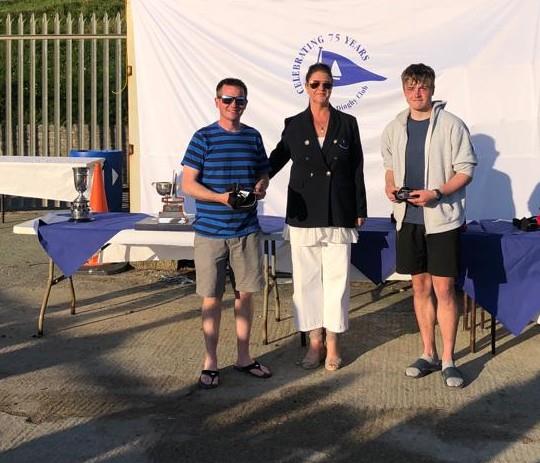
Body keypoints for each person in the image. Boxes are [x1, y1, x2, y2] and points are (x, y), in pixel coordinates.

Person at [381, 63, 477, 388]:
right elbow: (390, 166)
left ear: (432, 89)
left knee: (445, 289)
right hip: (407, 220)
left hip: (443, 221)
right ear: (404, 90)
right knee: (420, 287)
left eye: (422, 86)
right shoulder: (395, 127)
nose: (416, 92)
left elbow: (465, 170)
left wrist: (437, 193)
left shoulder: (452, 125)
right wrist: (390, 186)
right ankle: (428, 354)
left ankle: (449, 359)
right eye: (410, 86)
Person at [269, 63, 367, 371]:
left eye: (326, 84)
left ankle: (334, 343)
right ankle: (314, 342)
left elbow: (356, 169)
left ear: (332, 87)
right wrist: (259, 178)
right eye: (315, 84)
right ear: (306, 85)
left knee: (337, 280)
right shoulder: (294, 124)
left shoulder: (348, 123)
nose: (321, 89)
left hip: (339, 210)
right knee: (307, 280)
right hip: (304, 212)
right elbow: (277, 157)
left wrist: (360, 209)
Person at [181, 77, 272, 389]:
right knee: (211, 298)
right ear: (216, 101)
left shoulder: (253, 137)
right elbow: (188, 184)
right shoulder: (202, 138)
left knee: (245, 295)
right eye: (228, 100)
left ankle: (244, 356)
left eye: (240, 101)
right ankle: (211, 361)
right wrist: (221, 198)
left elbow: (264, 171)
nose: (234, 106)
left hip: (246, 230)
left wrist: (261, 185)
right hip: (210, 232)